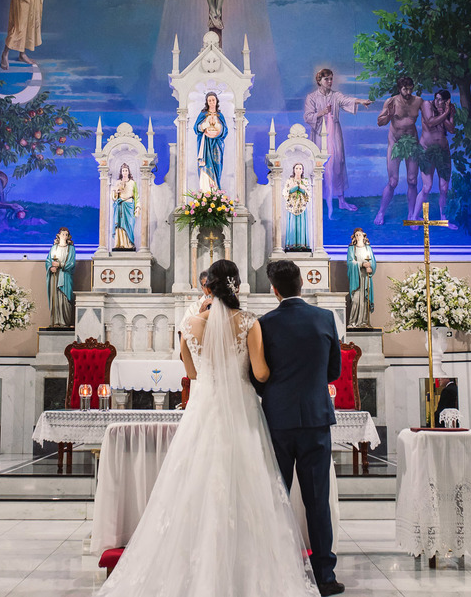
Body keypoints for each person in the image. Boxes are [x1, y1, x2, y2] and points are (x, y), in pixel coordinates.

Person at [97, 259, 321, 597]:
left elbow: (193, 373)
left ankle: (191, 570)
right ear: (237, 286)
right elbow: (260, 374)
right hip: (243, 410)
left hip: (204, 409)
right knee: (248, 482)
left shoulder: (189, 324)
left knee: (193, 483)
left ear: (208, 287)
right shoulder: (248, 322)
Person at [256, 260, 344, 596]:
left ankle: (279, 568)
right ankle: (325, 576)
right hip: (316, 419)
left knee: (277, 497)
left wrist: (277, 395)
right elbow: (333, 370)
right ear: (302, 284)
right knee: (317, 500)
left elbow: (258, 374)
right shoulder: (324, 318)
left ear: (274, 289)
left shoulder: (265, 324)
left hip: (278, 421)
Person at [303, 68, 371, 218]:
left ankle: (341, 200)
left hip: (334, 133)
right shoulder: (312, 97)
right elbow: (307, 117)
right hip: (320, 133)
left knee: (338, 163)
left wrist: (362, 101)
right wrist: (321, 112)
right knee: (319, 165)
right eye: (326, 79)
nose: (329, 81)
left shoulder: (335, 95)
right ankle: (316, 201)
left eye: (331, 78)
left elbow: (347, 100)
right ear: (319, 81)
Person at [373, 76, 422, 225]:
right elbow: (380, 122)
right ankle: (381, 213)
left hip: (412, 142)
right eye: (405, 89)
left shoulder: (418, 101)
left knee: (412, 181)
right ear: (399, 89)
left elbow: (428, 117)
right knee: (393, 181)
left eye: (410, 88)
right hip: (395, 143)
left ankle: (412, 214)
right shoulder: (391, 101)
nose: (408, 91)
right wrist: (389, 114)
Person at [415, 89, 457, 228]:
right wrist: (444, 112)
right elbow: (430, 121)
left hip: (443, 151)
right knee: (426, 187)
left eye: (443, 101)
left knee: (444, 188)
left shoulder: (449, 109)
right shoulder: (427, 104)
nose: (439, 102)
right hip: (427, 151)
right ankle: (415, 217)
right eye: (437, 99)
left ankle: (443, 218)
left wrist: (446, 112)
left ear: (447, 102)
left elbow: (451, 129)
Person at [193, 91, 228, 191]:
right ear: (207, 102)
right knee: (205, 166)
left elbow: (225, 131)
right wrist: (206, 124)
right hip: (205, 144)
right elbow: (196, 128)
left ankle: (215, 191)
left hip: (216, 144)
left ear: (216, 101)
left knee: (217, 166)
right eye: (209, 100)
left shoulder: (220, 115)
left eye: (213, 100)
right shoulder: (203, 114)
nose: (211, 102)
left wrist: (217, 126)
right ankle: (205, 191)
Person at [45, 227, 76, 327]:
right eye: (63, 234)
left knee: (65, 299)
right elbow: (48, 260)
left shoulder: (71, 249)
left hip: (65, 276)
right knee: (56, 298)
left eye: (66, 234)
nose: (64, 236)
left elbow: (72, 263)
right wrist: (51, 267)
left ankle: (65, 321)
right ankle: (56, 321)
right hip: (55, 276)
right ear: (58, 235)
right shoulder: (54, 248)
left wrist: (60, 265)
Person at [345, 228, 376, 328]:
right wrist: (361, 264)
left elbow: (373, 261)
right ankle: (352, 322)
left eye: (360, 235)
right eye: (356, 235)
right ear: (354, 237)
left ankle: (364, 322)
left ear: (364, 236)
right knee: (356, 300)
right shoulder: (351, 249)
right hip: (356, 278)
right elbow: (350, 263)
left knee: (365, 300)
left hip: (365, 278)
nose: (358, 237)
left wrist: (370, 267)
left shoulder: (368, 249)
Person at [283, 162, 312, 251]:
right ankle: (291, 245)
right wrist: (294, 188)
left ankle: (302, 245)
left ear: (302, 170)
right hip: (292, 206)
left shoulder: (305, 181)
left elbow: (309, 194)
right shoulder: (289, 181)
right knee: (292, 225)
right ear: (294, 170)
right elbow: (285, 193)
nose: (298, 170)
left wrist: (303, 189)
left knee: (301, 225)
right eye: (296, 168)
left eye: (300, 168)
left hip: (301, 206)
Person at [111, 162, 139, 250]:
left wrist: (138, 207)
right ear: (121, 172)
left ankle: (129, 244)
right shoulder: (118, 182)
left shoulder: (133, 183)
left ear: (128, 171)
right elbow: (114, 197)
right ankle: (119, 243)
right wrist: (116, 192)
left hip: (129, 205)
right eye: (123, 170)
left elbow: (136, 196)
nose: (125, 172)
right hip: (120, 206)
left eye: (126, 170)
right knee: (119, 224)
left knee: (129, 224)